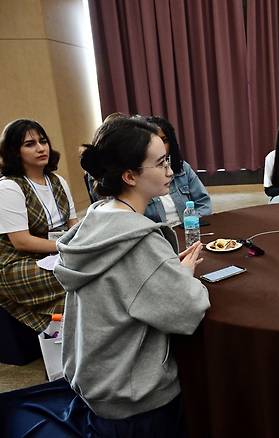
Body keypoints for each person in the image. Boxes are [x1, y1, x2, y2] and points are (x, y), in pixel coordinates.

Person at [53, 117, 210, 436]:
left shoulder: (95, 220)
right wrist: (184, 275)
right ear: (129, 175)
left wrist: (165, 272)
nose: (170, 170)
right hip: (137, 402)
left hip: (97, 387)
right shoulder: (138, 243)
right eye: (161, 162)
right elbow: (188, 310)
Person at [0, 119, 77, 332]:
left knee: (92, 268)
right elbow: (21, 242)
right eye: (30, 144)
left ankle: (83, 331)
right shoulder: (9, 187)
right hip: (16, 263)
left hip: (55, 254)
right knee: (77, 274)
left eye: (43, 141)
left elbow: (73, 225)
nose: (41, 148)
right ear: (15, 152)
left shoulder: (57, 181)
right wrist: (69, 247)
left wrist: (79, 245)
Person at [144, 116, 211, 226]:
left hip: (188, 230)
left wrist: (190, 225)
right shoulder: (140, 174)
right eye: (154, 141)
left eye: (164, 140)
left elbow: (203, 203)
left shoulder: (182, 167)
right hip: (158, 236)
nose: (160, 146)